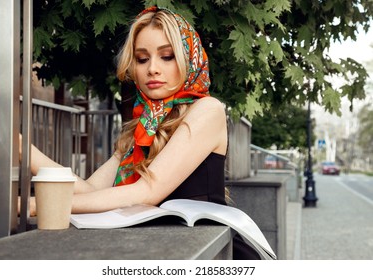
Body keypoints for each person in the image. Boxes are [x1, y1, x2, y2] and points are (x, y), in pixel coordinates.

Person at [27, 6, 259, 259]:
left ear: (189, 59)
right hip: (158, 254)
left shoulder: (207, 110)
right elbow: (90, 190)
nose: (153, 69)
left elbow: (147, 192)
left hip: (210, 256)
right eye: (142, 58)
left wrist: (39, 206)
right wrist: (22, 151)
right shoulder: (143, 128)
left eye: (167, 56)